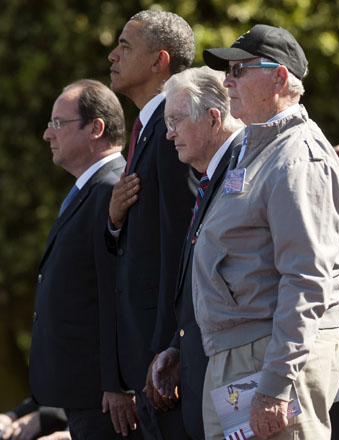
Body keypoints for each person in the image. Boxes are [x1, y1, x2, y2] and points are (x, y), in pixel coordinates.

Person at [195, 24, 339, 439]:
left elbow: (306, 278)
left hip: (271, 357)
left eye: (239, 70)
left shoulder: (298, 156)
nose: (227, 80)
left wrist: (277, 382)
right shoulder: (258, 146)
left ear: (280, 77)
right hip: (247, 353)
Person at [119, 66, 242, 439]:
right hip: (203, 365)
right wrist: (175, 345)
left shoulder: (247, 169)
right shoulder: (211, 176)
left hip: (243, 370)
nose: (168, 133)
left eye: (175, 121)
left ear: (213, 118)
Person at [104, 10, 197, 439]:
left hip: (159, 357)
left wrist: (167, 346)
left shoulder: (170, 128)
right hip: (142, 352)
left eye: (125, 46)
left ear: (160, 61)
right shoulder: (147, 129)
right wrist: (115, 222)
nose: (112, 55)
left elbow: (180, 245)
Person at [30, 79, 133, 438]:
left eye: (58, 123)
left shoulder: (111, 187)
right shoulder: (89, 188)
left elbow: (117, 292)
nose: (47, 134)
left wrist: (117, 383)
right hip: (84, 392)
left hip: (103, 397)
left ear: (96, 128)